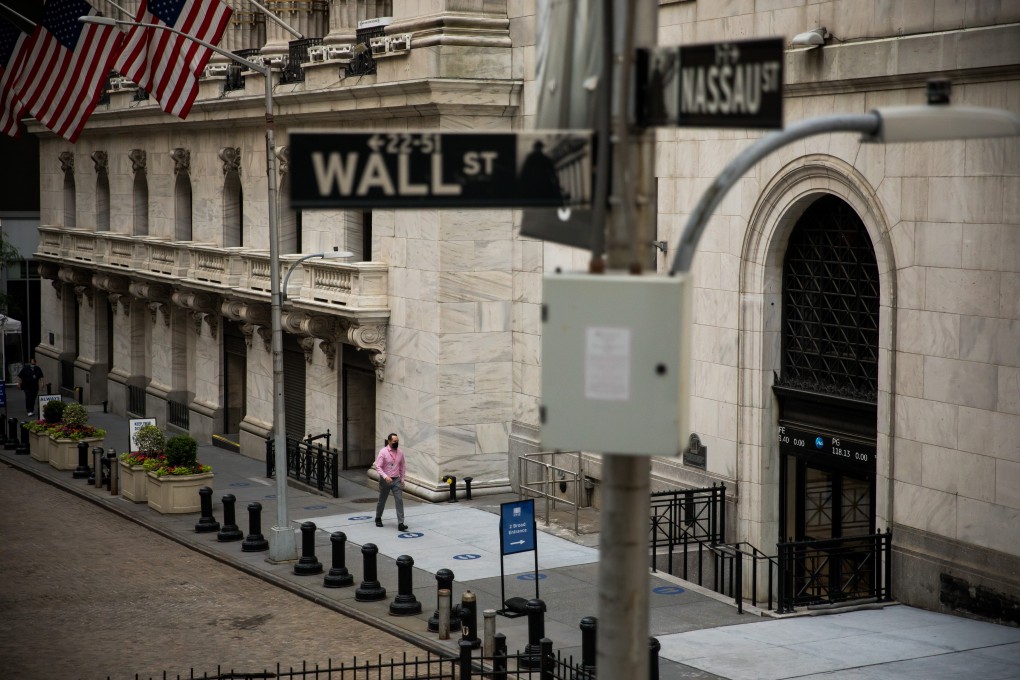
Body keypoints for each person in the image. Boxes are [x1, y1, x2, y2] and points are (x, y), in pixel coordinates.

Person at [374, 432, 407, 531]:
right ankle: (378, 517)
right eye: (394, 441)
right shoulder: (383, 452)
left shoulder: (400, 452)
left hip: (396, 479)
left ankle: (401, 523)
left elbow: (402, 466)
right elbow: (378, 466)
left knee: (399, 500)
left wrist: (402, 479)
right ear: (389, 441)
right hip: (386, 480)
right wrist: (385, 476)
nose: (396, 442)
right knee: (382, 500)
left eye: (397, 441)